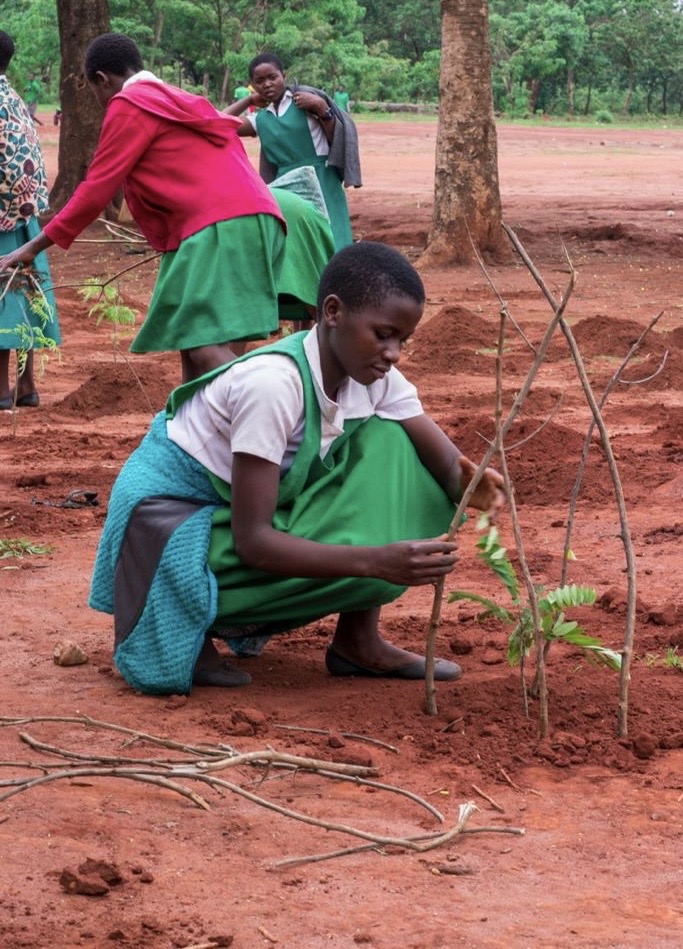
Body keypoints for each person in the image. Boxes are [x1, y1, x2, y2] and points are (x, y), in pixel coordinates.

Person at [89, 241, 506, 695]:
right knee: (370, 493)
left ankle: (358, 641)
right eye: (383, 334)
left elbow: (443, 461)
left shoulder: (372, 375)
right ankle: (186, 623)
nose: (393, 353)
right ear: (332, 312)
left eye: (402, 340)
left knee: (394, 444)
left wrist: (470, 485)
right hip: (172, 523)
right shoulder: (273, 386)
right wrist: (375, 560)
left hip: (238, 507)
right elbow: (255, 542)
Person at [0, 33, 287, 383]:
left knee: (202, 344)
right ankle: (189, 429)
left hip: (216, 225)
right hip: (258, 217)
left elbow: (95, 189)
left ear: (102, 80)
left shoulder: (130, 104)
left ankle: (276, 406)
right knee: (198, 339)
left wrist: (32, 248)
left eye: (95, 92)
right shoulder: (177, 97)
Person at [225, 53, 361, 252]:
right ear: (252, 85)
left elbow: (336, 139)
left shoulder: (305, 102)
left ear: (284, 75)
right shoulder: (261, 119)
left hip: (321, 180)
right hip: (286, 187)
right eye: (259, 81)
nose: (267, 84)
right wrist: (248, 101)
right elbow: (218, 122)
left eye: (273, 77)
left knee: (332, 240)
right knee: (298, 246)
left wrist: (323, 109)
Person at [0, 31, 59, 410]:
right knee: (25, 296)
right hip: (24, 218)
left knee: (5, 300)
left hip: (2, 220)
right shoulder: (14, 98)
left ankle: (1, 392)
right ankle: (26, 386)